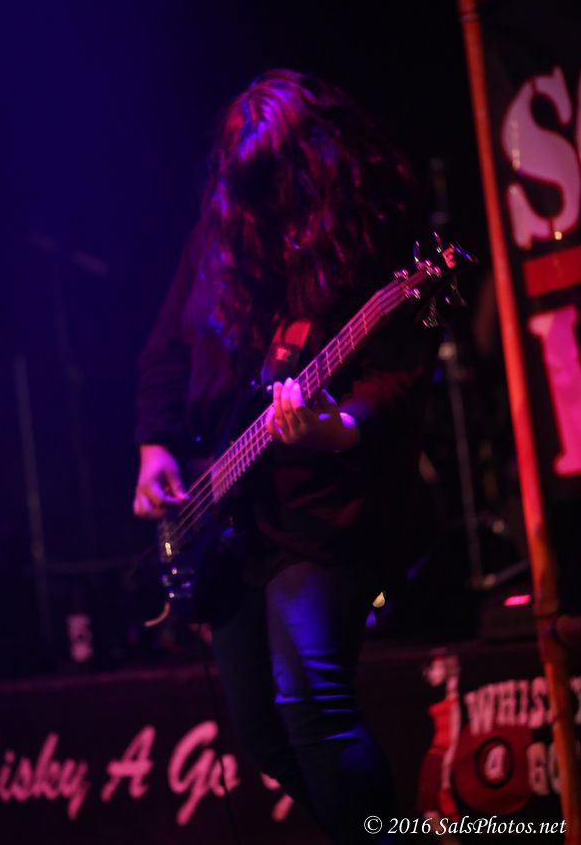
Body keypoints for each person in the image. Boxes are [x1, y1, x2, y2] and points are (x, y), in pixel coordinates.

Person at [133, 69, 441, 844]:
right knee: (264, 735)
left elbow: (401, 378)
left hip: (326, 512)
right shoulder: (219, 232)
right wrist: (154, 447)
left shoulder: (365, 234)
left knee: (312, 704)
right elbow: (168, 348)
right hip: (232, 518)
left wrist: (336, 427)